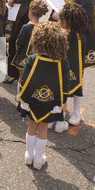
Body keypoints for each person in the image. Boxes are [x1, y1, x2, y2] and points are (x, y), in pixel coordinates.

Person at [17, 22, 70, 170]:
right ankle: (39, 159)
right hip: (51, 103)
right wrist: (60, 104)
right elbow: (65, 87)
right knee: (43, 130)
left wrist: (23, 100)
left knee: (31, 127)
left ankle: (29, 156)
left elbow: (24, 81)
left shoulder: (32, 59)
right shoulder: (63, 62)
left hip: (32, 101)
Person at [5, 0, 38, 84]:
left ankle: (15, 74)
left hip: (23, 13)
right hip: (16, 12)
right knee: (13, 42)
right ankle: (13, 73)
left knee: (16, 42)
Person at [55, 3, 89, 133]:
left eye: (59, 18)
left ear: (64, 21)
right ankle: (72, 114)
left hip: (64, 70)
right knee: (77, 86)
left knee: (62, 93)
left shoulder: (62, 36)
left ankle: (61, 119)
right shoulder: (80, 35)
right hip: (77, 69)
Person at [11, 0, 49, 95]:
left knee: (21, 77)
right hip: (37, 57)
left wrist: (18, 50)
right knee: (33, 78)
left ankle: (19, 95)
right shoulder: (43, 27)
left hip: (24, 56)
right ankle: (31, 96)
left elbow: (19, 42)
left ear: (30, 12)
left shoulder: (26, 27)